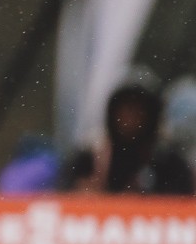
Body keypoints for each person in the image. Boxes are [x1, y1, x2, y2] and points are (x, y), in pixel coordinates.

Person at [62, 81, 194, 195]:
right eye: (125, 109)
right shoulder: (90, 158)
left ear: (150, 115)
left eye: (138, 110)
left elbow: (182, 202)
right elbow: (62, 195)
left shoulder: (168, 163)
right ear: (113, 112)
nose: (130, 118)